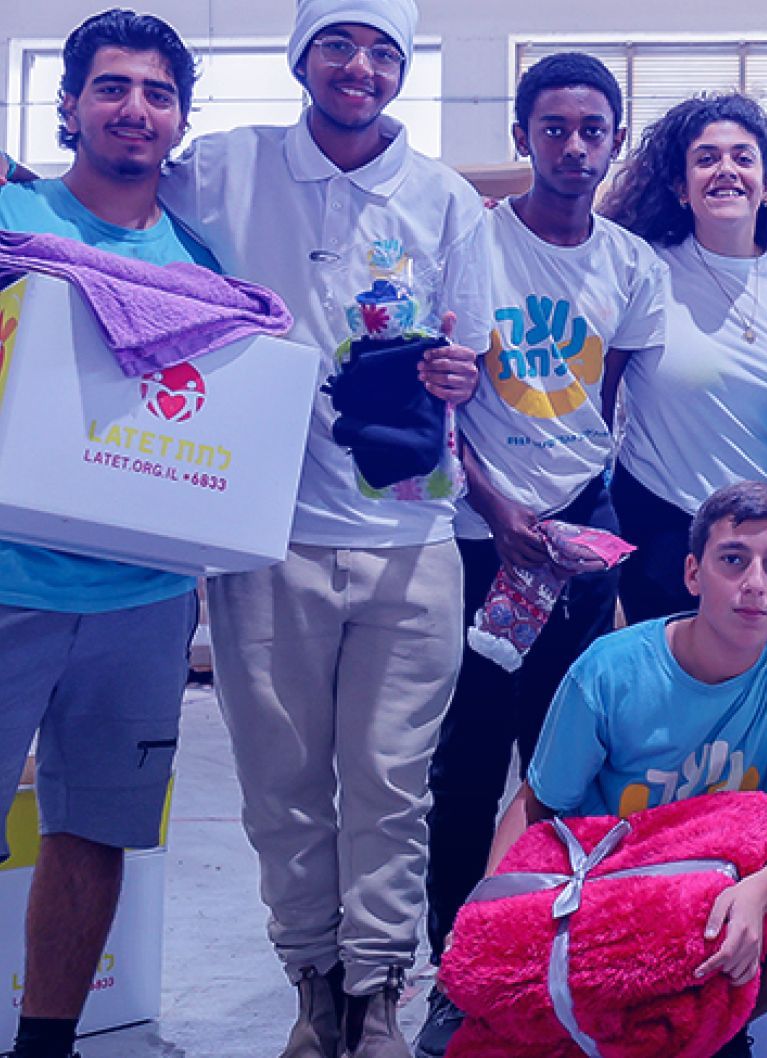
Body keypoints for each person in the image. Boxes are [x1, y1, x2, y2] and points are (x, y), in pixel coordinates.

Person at [156, 2, 491, 1055]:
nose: (361, 67)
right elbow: (112, 201)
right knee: (283, 783)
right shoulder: (224, 166)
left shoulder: (443, 199)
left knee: (391, 782)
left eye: (383, 51)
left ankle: (381, 984)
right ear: (302, 60)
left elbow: (471, 358)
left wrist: (454, 371)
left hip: (409, 541)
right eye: (339, 46)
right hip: (264, 533)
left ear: (403, 69)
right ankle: (313, 984)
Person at [412, 51, 667, 1058]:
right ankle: (451, 969)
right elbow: (446, 397)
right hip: (480, 538)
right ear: (521, 136)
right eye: (552, 126)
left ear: (613, 139)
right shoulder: (475, 245)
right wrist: (496, 503)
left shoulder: (632, 264)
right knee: (466, 761)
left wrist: (574, 518)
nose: (571, 145)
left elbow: (613, 403)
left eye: (591, 128)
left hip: (578, 539)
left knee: (565, 763)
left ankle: (548, 960)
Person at [483, 481, 767, 1058]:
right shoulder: (610, 669)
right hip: (619, 895)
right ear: (693, 574)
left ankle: (697, 1024)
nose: (753, 585)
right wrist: (494, 918)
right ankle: (607, 1022)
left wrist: (757, 893)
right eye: (732, 561)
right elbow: (535, 802)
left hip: (724, 897)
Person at [0, 13, 210, 1058]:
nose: (136, 108)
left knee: (96, 828)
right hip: (9, 574)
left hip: (143, 594)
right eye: (114, 87)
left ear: (180, 118)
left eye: (158, 92)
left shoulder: (199, 256)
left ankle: (48, 1043)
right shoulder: (11, 217)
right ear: (69, 104)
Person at [599, 93, 767, 628]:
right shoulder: (644, 272)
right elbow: (599, 390)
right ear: (681, 189)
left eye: (742, 157)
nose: (725, 170)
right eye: (706, 158)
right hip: (662, 525)